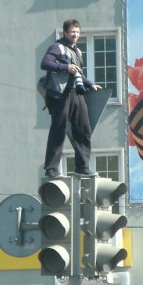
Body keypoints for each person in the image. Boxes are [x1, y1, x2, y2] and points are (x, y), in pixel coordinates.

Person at [41, 18, 102, 178]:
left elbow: (78, 73)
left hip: (76, 93)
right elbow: (45, 63)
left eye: (77, 32)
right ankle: (51, 169)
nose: (75, 34)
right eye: (72, 32)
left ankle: (82, 167)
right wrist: (64, 67)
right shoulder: (57, 47)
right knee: (58, 130)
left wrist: (90, 84)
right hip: (60, 94)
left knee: (83, 129)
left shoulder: (77, 51)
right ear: (65, 33)